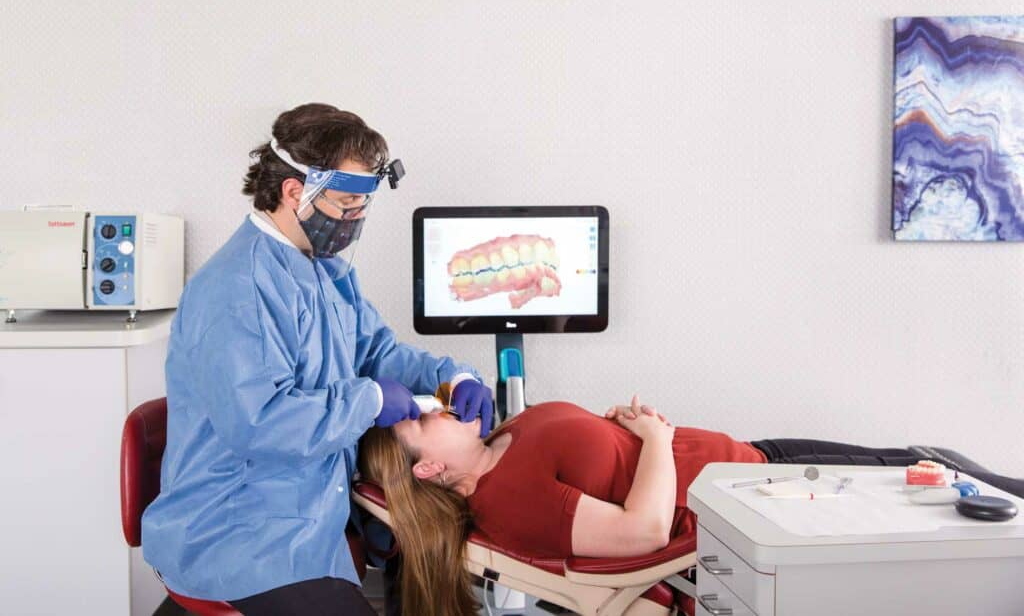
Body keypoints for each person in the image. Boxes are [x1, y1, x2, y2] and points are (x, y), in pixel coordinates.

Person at [141, 103, 495, 615]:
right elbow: (259, 423)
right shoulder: (235, 290)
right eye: (348, 203)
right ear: (293, 191)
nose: (357, 217)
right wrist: (367, 402)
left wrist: (451, 376)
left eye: (363, 203)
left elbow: (376, 351)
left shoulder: (324, 270)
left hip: (305, 517)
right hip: (239, 534)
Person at [358, 396, 1024, 616]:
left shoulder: (498, 440)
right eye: (422, 420)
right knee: (948, 474)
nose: (434, 405)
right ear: (430, 468)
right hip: (756, 497)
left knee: (931, 457)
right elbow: (644, 528)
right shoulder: (510, 499)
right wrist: (655, 435)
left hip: (746, 460)